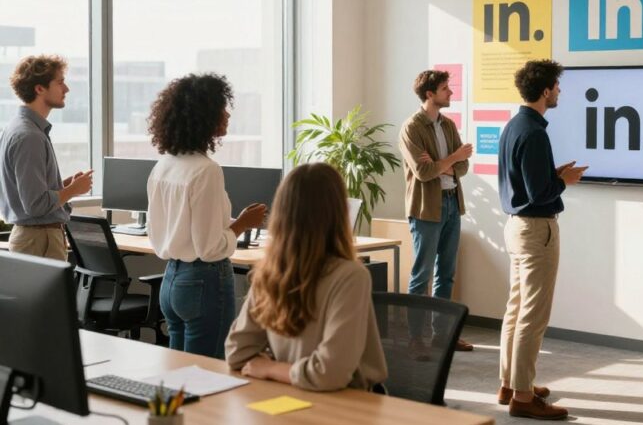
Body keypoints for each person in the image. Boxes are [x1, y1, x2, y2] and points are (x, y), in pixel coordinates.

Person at [225, 163, 387, 391]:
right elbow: (237, 354)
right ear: (339, 214)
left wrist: (272, 368)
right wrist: (285, 372)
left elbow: (329, 373)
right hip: (298, 396)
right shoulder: (348, 275)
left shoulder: (273, 271)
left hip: (343, 404)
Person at [146, 73, 266, 358]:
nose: (226, 114)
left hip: (171, 280)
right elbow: (210, 247)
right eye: (221, 108)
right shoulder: (206, 170)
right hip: (204, 280)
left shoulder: (163, 166)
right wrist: (242, 225)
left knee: (179, 375)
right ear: (204, 115)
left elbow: (159, 232)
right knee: (206, 373)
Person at [497, 59, 587, 421]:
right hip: (537, 230)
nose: (559, 92)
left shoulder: (514, 126)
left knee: (516, 310)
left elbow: (525, 181)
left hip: (517, 227)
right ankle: (522, 396)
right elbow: (538, 193)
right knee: (533, 315)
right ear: (546, 90)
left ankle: (511, 383)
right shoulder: (534, 132)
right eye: (557, 87)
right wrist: (564, 181)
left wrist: (553, 174)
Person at [397, 69, 474, 352]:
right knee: (422, 276)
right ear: (430, 94)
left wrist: (445, 163)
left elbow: (464, 167)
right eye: (445, 89)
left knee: (447, 273)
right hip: (426, 208)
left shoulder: (448, 125)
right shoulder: (411, 127)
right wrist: (452, 158)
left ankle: (443, 336)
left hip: (452, 202)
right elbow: (424, 172)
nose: (451, 93)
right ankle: (416, 338)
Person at [0, 55, 93, 261]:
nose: (66, 89)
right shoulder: (29, 136)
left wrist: (64, 185)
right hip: (39, 240)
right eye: (60, 82)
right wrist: (73, 190)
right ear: (39, 89)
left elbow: (30, 193)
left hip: (37, 239)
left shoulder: (20, 129)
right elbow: (35, 205)